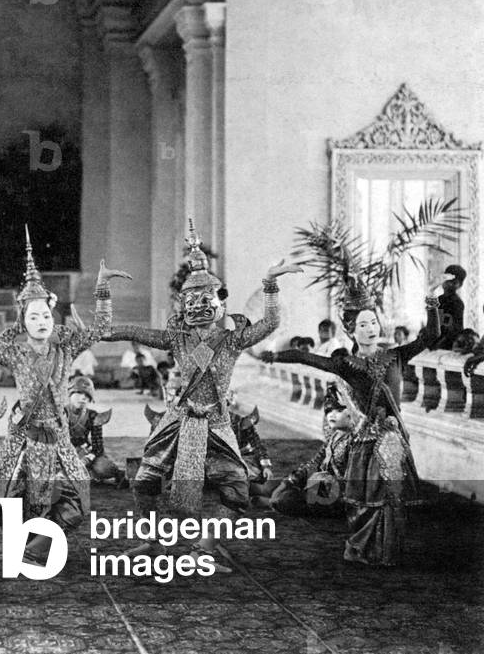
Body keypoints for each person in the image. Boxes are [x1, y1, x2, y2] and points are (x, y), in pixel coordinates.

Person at [102, 221, 301, 569]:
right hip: (179, 421)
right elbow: (115, 332)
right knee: (145, 481)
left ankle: (204, 545)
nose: (198, 306)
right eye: (191, 300)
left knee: (238, 490)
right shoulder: (175, 338)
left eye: (205, 299)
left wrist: (270, 283)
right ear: (182, 305)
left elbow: (269, 325)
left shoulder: (232, 339)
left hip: (217, 423)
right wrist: (103, 293)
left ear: (220, 302)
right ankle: (152, 540)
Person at [0, 227, 130, 565]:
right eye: (33, 316)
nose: (41, 321)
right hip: (24, 438)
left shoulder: (66, 349)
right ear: (23, 320)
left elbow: (102, 330)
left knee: (78, 505)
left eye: (46, 315)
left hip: (60, 439)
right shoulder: (15, 354)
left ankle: (35, 548)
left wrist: (103, 287)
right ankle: (27, 543)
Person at [262, 278, 439, 565]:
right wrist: (274, 357)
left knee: (391, 497)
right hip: (364, 441)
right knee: (364, 499)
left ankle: (388, 551)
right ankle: (361, 548)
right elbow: (306, 358)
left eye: (373, 323)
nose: (371, 330)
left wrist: (431, 302)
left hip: (392, 440)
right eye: (363, 325)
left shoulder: (396, 356)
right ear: (351, 331)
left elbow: (430, 337)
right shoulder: (345, 365)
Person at [270, 383, 353, 517]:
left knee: (284, 500)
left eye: (338, 411)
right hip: (320, 486)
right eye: (328, 411)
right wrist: (289, 482)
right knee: (275, 486)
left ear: (352, 413)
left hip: (338, 498)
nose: (332, 415)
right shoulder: (334, 437)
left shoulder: (356, 442)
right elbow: (315, 463)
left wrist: (327, 479)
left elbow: (357, 483)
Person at [65, 376, 121, 484]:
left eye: (87, 395)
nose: (83, 398)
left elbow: (98, 448)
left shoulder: (93, 416)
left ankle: (118, 474)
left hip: (87, 452)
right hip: (66, 453)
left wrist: (86, 459)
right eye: (79, 393)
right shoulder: (61, 414)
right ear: (70, 394)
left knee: (103, 468)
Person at [436, 264, 465, 350]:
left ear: (458, 285)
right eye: (445, 279)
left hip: (448, 345)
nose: (447, 283)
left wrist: (438, 344)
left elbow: (454, 330)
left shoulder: (457, 303)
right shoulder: (439, 299)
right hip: (436, 341)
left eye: (452, 281)